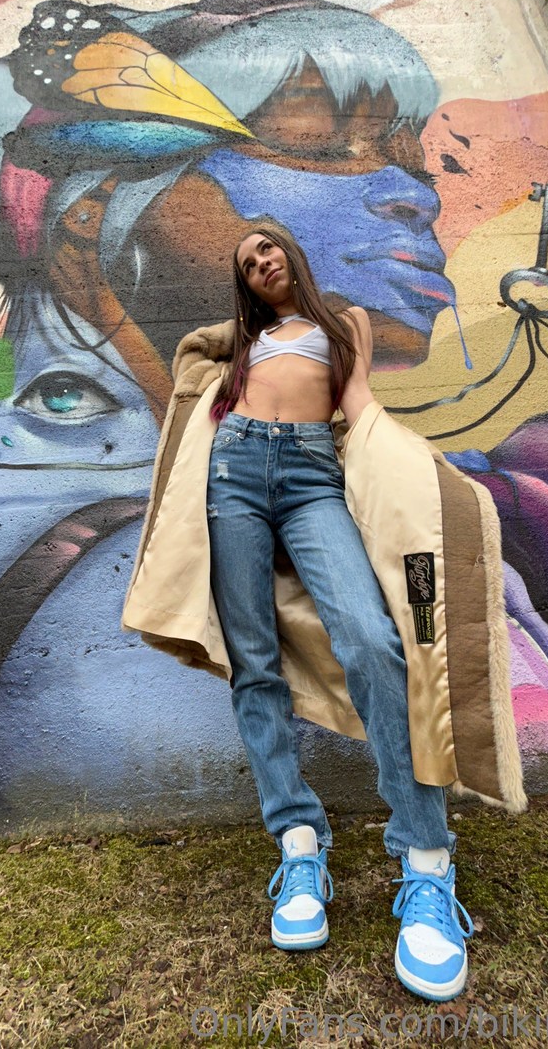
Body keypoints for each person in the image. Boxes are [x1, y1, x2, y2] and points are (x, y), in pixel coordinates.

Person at [204, 220, 474, 1001]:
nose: (261, 261)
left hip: (311, 476)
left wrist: (412, 465)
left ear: (290, 250)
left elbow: (359, 407)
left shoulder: (341, 322)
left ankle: (426, 858)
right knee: (254, 663)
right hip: (232, 473)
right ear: (245, 286)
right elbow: (192, 363)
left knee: (371, 639)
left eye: (266, 247)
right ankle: (298, 843)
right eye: (247, 263)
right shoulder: (244, 342)